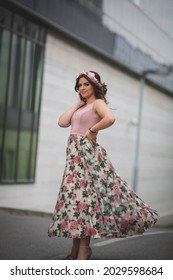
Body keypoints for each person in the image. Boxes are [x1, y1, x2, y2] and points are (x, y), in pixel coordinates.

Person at [48, 70, 159, 260]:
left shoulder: (98, 104)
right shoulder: (81, 106)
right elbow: (61, 122)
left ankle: (83, 250)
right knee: (76, 203)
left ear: (95, 86)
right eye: (80, 85)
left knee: (85, 202)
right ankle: (76, 250)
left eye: (86, 84)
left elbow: (110, 118)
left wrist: (92, 129)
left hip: (87, 160)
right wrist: (77, 104)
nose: (82, 88)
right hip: (74, 163)